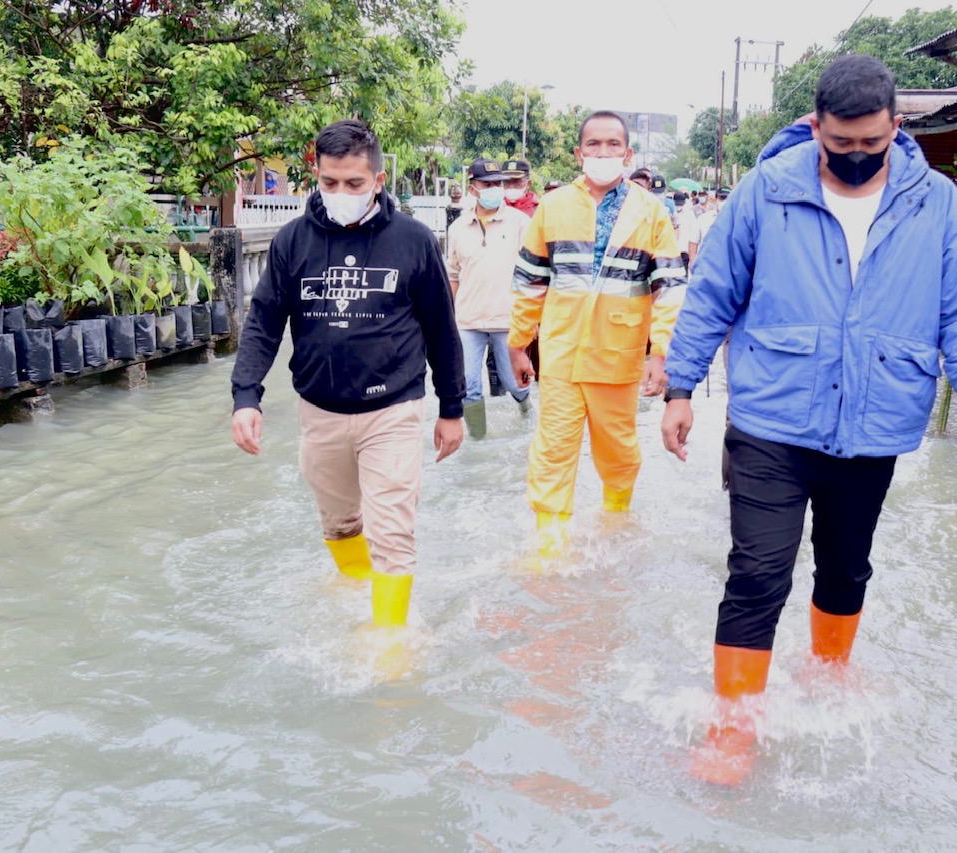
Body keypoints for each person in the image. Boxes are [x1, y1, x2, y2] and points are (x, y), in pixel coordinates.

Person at [660, 55, 957, 784]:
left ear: (895, 127)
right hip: (772, 419)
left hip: (874, 421)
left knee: (846, 566)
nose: (854, 158)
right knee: (757, 573)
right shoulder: (766, 191)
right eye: (839, 144)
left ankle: (828, 673)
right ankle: (733, 726)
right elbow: (713, 289)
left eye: (870, 145)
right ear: (815, 128)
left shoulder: (936, 203)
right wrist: (680, 385)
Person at [230, 118, 465, 628]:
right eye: (330, 182)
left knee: (393, 533)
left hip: (394, 409)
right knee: (339, 524)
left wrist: (452, 407)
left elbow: (442, 329)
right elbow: (264, 322)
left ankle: (389, 642)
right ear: (316, 175)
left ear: (378, 181)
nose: (341, 193)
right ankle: (355, 591)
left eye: (354, 184)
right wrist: (246, 396)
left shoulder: (414, 241)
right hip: (321, 411)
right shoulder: (293, 241)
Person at [508, 110, 686, 553]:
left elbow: (669, 289)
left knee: (619, 450)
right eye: (594, 145)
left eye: (612, 145)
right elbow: (530, 281)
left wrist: (660, 354)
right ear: (578, 153)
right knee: (553, 449)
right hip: (561, 351)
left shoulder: (652, 212)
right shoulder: (552, 207)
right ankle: (549, 544)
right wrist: (517, 343)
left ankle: (615, 522)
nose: (603, 152)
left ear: (627, 153)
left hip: (619, 353)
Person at [446, 157, 533, 437]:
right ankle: (478, 442)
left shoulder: (520, 223)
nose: (496, 188)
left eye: (499, 183)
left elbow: (533, 275)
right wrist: (447, 319)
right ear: (473, 189)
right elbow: (453, 274)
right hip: (468, 321)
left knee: (513, 383)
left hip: (507, 321)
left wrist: (533, 320)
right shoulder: (458, 228)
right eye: (488, 184)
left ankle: (526, 411)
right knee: (469, 385)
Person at [671, 191, 701, 271]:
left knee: (683, 273)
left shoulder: (689, 214)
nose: (679, 206)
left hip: (684, 249)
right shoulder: (670, 212)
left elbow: (694, 232)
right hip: (672, 249)